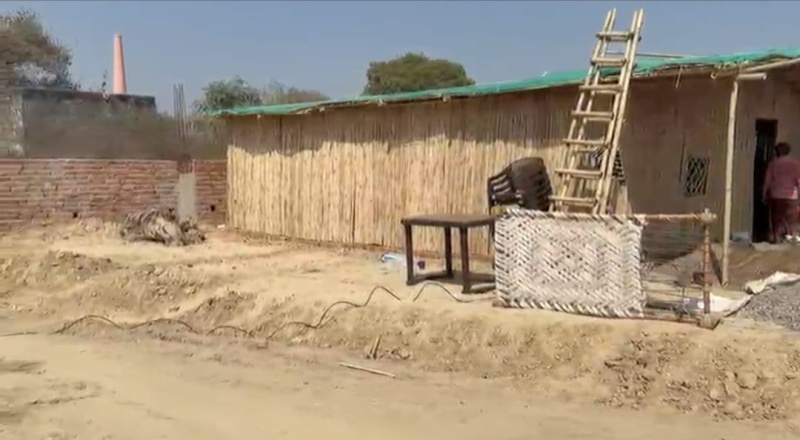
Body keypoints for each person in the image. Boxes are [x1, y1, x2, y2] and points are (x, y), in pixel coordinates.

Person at [762, 142, 800, 243]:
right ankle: (791, 237)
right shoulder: (795, 164)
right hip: (791, 197)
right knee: (791, 219)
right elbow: (798, 180)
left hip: (776, 195)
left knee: (776, 219)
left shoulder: (773, 164)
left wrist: (764, 193)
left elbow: (767, 180)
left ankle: (777, 238)